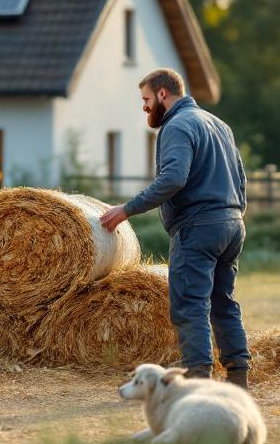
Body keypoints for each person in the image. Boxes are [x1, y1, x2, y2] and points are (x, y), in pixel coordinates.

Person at [100, 68, 251, 389]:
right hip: (232, 223)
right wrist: (234, 216)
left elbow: (173, 178)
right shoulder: (218, 124)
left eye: (146, 99)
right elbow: (241, 178)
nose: (144, 107)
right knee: (223, 301)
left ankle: (197, 379)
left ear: (163, 95)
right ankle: (238, 377)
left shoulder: (177, 125)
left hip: (198, 226)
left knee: (190, 303)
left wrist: (126, 209)